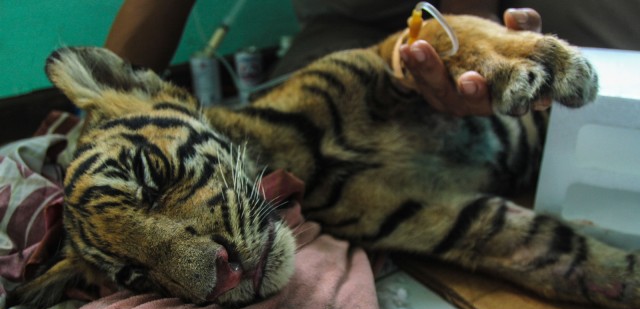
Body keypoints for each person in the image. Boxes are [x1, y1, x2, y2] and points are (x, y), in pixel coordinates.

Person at [104, 0, 543, 117]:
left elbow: (462, 17)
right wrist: (101, 110)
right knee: (298, 122)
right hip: (345, 20)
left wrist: (475, 45)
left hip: (453, 12)